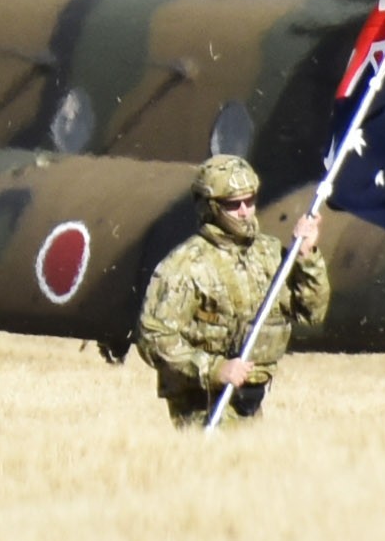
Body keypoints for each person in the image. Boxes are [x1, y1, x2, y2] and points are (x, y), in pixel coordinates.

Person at [136, 154, 330, 426]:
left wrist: (306, 256)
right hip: (203, 404)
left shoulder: (269, 253)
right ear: (211, 207)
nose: (244, 211)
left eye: (249, 201)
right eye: (233, 204)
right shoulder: (186, 266)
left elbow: (312, 313)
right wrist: (214, 369)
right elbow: (154, 338)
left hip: (250, 401)